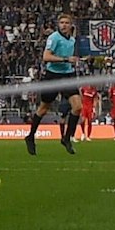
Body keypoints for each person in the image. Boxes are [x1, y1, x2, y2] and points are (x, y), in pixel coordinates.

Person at [25, 14, 83, 155]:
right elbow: (46, 57)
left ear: (71, 25)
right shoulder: (54, 38)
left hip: (68, 75)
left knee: (77, 107)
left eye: (66, 23)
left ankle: (67, 138)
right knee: (44, 108)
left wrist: (73, 61)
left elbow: (70, 58)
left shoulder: (72, 40)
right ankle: (30, 136)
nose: (63, 25)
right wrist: (65, 59)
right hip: (52, 76)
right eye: (61, 22)